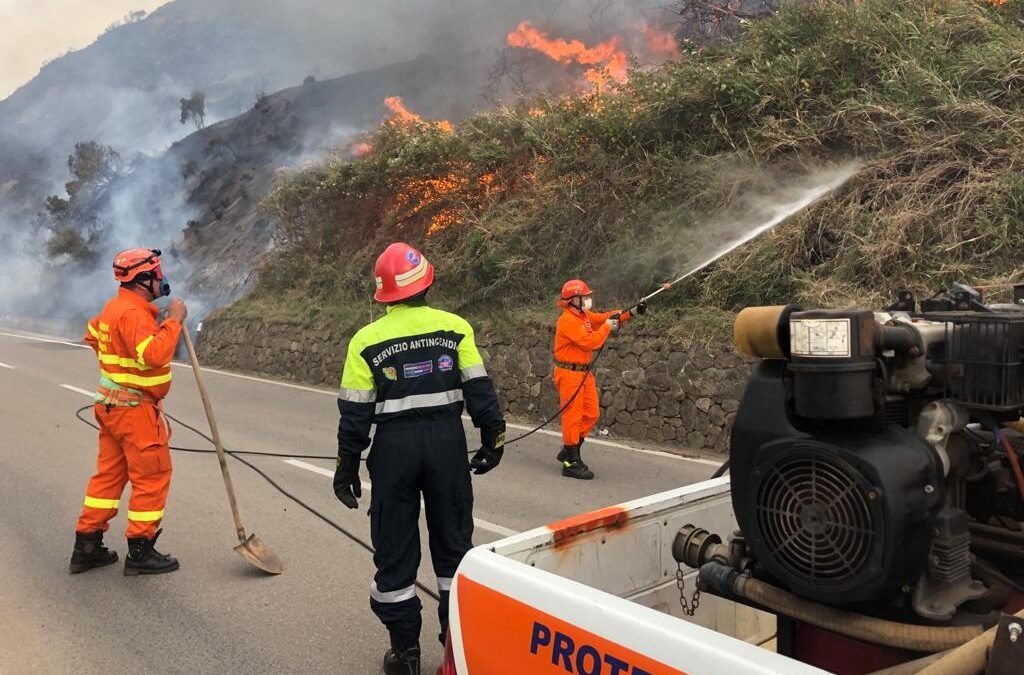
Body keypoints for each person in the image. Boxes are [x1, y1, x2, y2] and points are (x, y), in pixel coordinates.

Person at [333, 242, 506, 675]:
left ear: (384, 293)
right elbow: (480, 391)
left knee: (395, 548)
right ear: (428, 281)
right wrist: (492, 439)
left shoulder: (366, 340)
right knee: (454, 546)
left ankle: (405, 653)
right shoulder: (455, 328)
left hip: (392, 450)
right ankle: (454, 648)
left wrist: (347, 465)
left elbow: (355, 413)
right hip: (447, 443)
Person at [70, 248, 187, 576]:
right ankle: (140, 550)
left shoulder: (115, 308)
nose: (161, 279)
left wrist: (116, 369)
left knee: (109, 475)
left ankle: (87, 545)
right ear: (143, 279)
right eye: (157, 273)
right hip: (135, 412)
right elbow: (154, 355)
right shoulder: (134, 314)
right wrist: (174, 321)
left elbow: (92, 335)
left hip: (111, 407)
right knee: (152, 476)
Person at [552, 279, 643, 480]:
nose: (587, 300)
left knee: (591, 414)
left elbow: (603, 318)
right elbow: (590, 342)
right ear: (572, 300)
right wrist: (607, 327)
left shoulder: (583, 315)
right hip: (569, 374)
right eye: (583, 297)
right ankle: (570, 462)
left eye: (586, 296)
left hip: (584, 373)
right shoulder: (567, 320)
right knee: (572, 417)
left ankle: (570, 450)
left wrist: (631, 312)